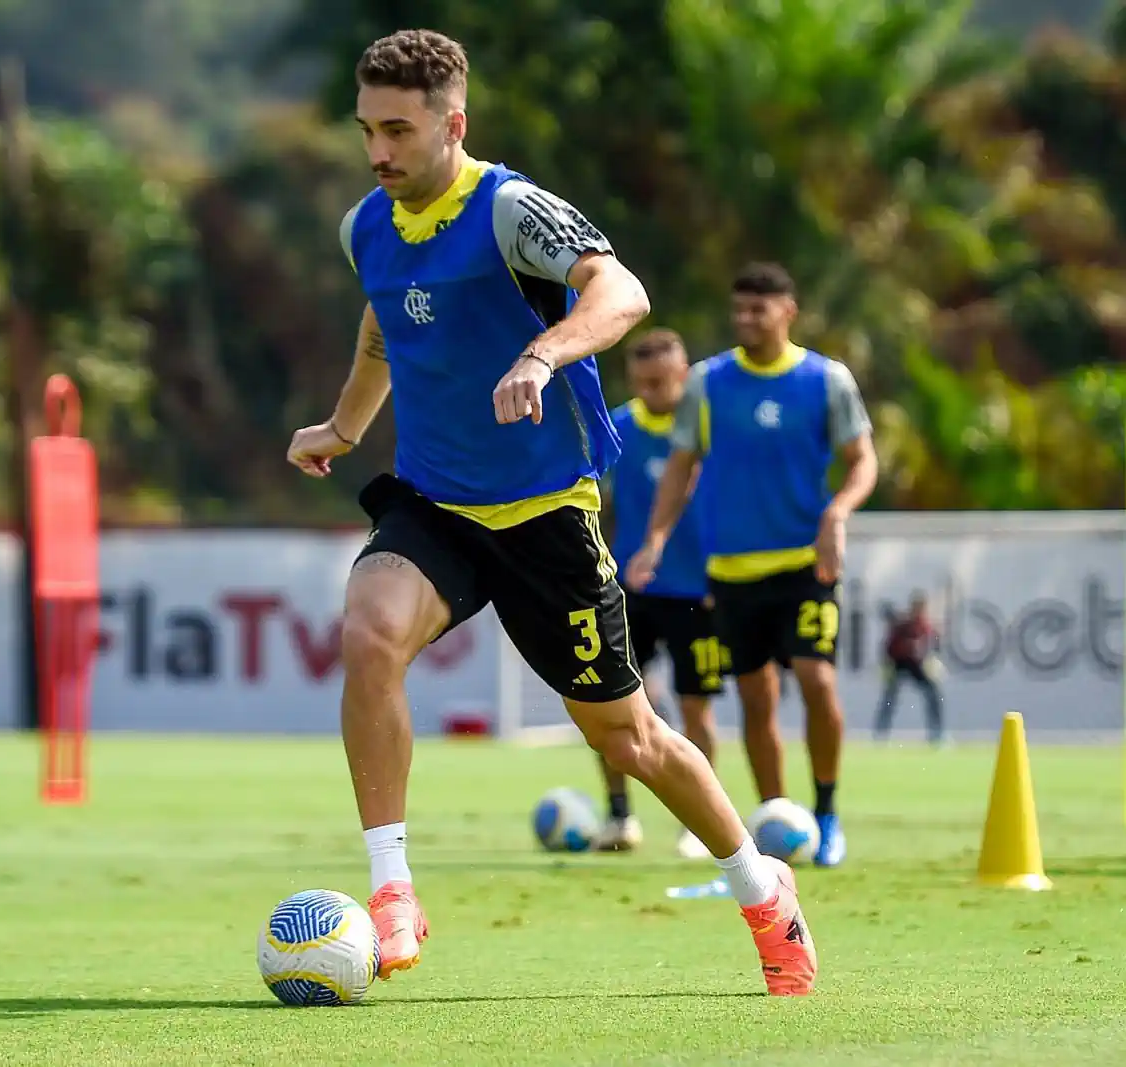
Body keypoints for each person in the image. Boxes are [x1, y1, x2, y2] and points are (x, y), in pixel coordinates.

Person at [286, 30, 816, 996]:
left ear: (454, 124)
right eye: (367, 129)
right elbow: (382, 319)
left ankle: (760, 886)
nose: (379, 151)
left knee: (629, 738)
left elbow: (622, 290)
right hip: (436, 502)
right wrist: (344, 423)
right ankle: (393, 887)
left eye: (398, 130)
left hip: (544, 517)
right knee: (367, 636)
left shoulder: (510, 211)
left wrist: (543, 355)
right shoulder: (367, 223)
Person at [628, 262, 877, 869]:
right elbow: (681, 467)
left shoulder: (826, 381)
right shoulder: (709, 384)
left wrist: (837, 514)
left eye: (757, 310)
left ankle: (825, 811)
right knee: (756, 700)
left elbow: (862, 460)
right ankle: (776, 817)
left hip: (802, 566)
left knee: (817, 681)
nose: (744, 320)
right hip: (732, 571)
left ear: (788, 312)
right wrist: (655, 539)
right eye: (737, 310)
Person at [593, 329, 722, 859]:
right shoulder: (617, 428)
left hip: (698, 591)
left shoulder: (712, 429)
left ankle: (698, 822)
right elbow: (593, 500)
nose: (654, 391)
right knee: (608, 708)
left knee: (697, 712)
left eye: (664, 380)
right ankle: (620, 816)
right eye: (644, 382)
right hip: (629, 589)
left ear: (684, 373)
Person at [874, 591, 946, 744]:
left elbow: (934, 645)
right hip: (899, 664)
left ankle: (937, 733)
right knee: (889, 699)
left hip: (916, 664)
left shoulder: (925, 625)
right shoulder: (902, 624)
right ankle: (880, 732)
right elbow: (888, 647)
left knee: (933, 694)